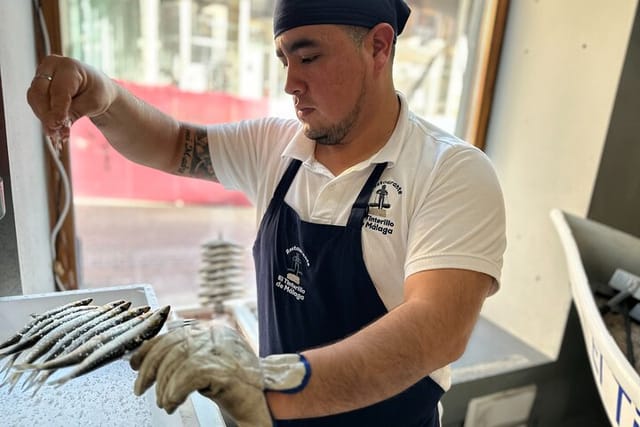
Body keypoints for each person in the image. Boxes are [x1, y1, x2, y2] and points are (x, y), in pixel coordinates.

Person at [27, 0, 506, 425]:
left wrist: (265, 384)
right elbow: (172, 143)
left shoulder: (452, 172)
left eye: (309, 56)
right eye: (283, 59)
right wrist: (104, 95)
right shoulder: (275, 148)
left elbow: (436, 327)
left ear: (379, 47)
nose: (290, 83)